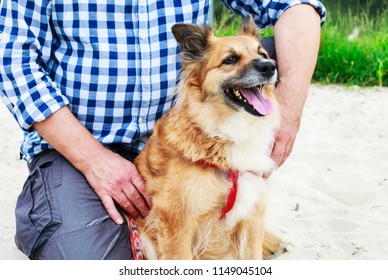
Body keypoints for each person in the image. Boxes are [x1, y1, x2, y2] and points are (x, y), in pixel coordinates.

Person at [0, 0, 326, 260]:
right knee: (92, 258)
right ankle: (50, 213)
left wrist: (287, 113)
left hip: (189, 137)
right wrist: (93, 159)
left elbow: (297, 7)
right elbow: (13, 59)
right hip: (81, 149)